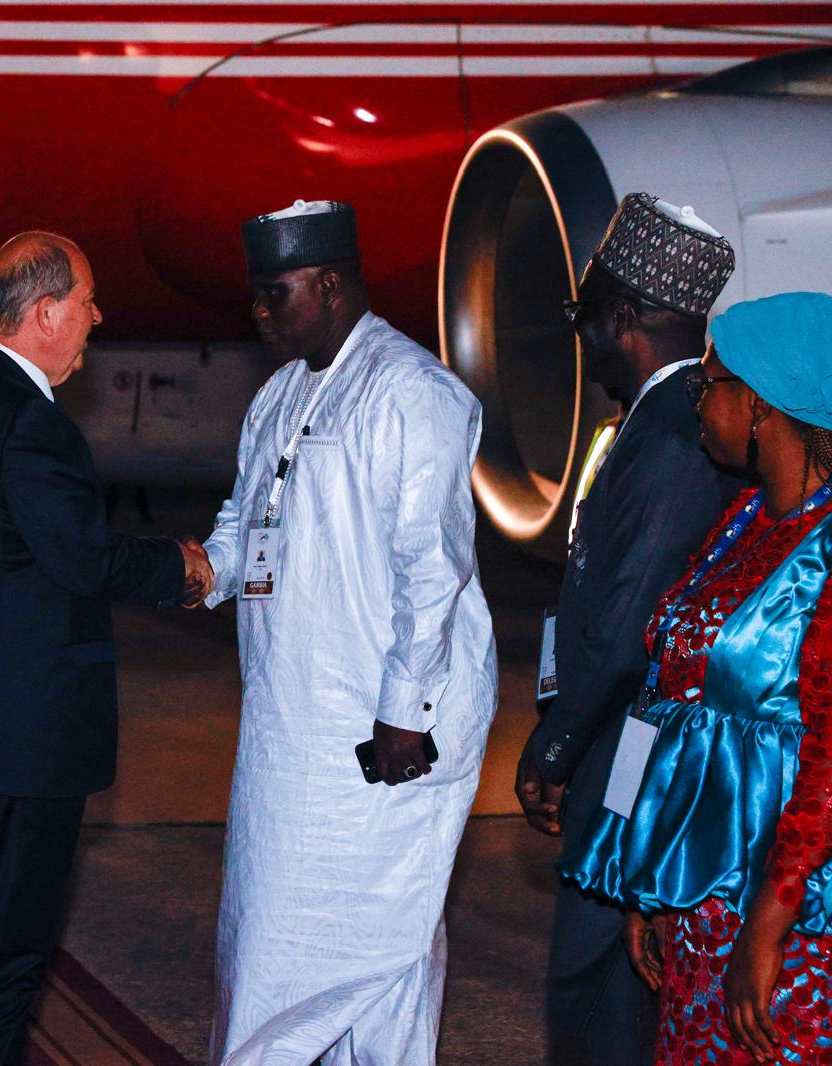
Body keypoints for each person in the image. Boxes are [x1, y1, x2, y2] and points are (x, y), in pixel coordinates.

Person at [0, 231, 209, 1065]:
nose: (96, 318)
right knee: (7, 955)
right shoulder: (26, 420)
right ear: (43, 312)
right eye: (86, 302)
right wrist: (181, 568)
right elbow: (84, 557)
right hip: (21, 737)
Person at [199, 200, 498, 1065]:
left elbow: (433, 567)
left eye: (275, 294)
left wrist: (404, 711)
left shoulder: (413, 392)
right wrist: (203, 570)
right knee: (359, 954)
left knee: (343, 943)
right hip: (288, 729)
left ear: (330, 285)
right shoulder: (278, 395)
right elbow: (247, 518)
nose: (258, 312)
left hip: (379, 731)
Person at [561, 292, 832, 1063]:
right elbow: (667, 704)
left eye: (711, 384)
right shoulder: (745, 519)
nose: (698, 402)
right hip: (697, 898)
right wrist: (642, 873)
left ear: (762, 402)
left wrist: (766, 927)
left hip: (791, 917)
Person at [512, 193, 741, 1066]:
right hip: (616, 741)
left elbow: (629, 624)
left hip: (630, 758)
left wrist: (556, 747)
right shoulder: (653, 419)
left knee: (599, 989)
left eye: (584, 314)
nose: (579, 336)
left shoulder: (673, 437)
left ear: (622, 317)